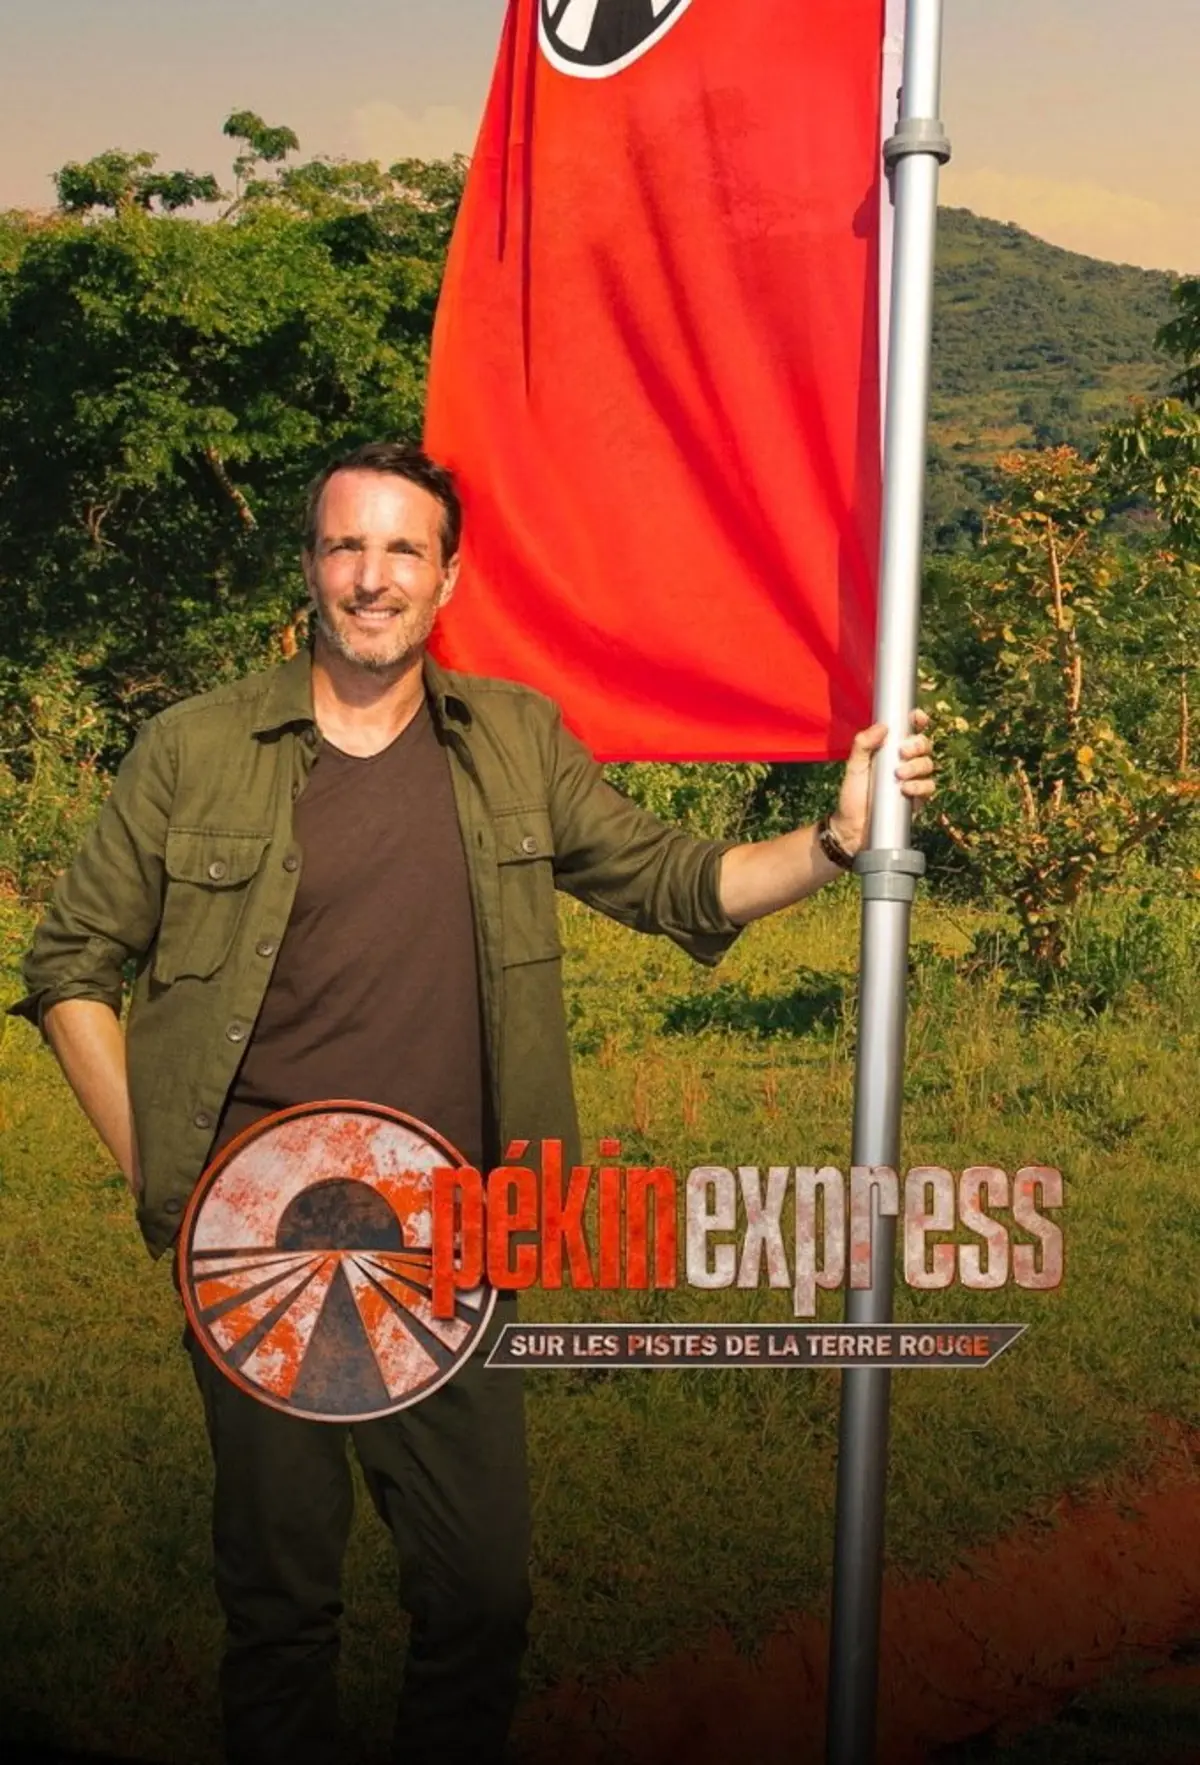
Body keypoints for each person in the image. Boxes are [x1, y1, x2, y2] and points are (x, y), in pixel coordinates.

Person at [10, 440, 935, 1765]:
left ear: (449, 577)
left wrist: (838, 839)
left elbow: (677, 884)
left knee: (481, 1598)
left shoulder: (513, 740)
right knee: (281, 1609)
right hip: (259, 1246)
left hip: (456, 1242)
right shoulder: (193, 749)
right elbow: (69, 966)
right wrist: (178, 1184)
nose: (371, 576)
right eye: (346, 544)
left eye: (403, 548)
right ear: (309, 565)